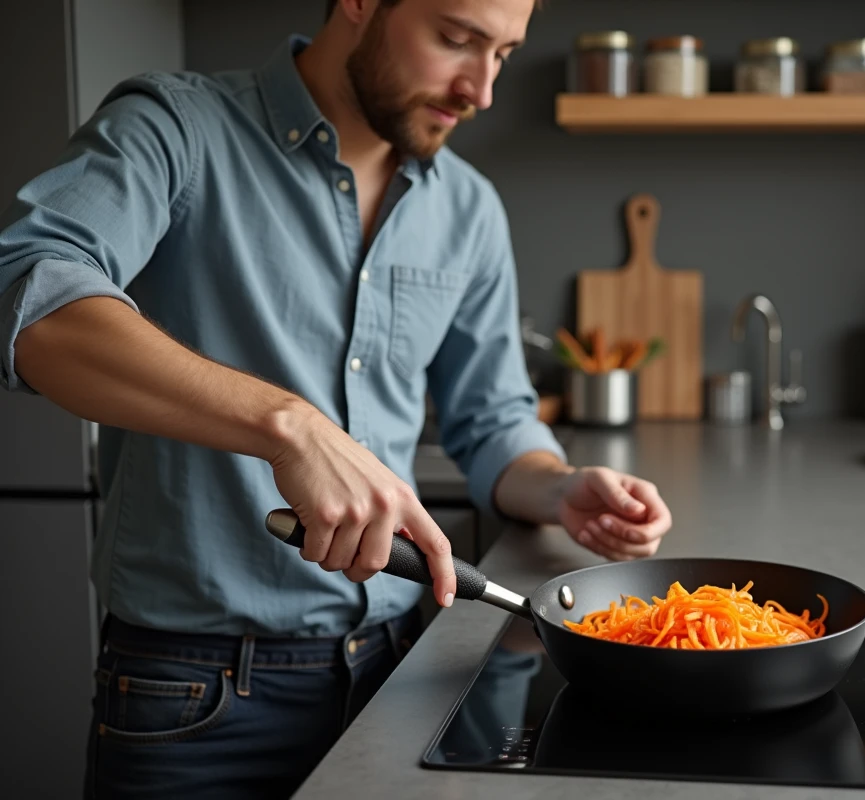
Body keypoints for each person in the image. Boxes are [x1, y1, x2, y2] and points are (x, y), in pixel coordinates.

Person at [0, 0, 673, 797]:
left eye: (503, 54)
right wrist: (287, 427)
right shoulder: (174, 128)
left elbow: (491, 419)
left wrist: (561, 489)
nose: (482, 89)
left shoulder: (468, 208)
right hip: (191, 692)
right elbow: (31, 297)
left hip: (397, 667)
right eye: (457, 40)